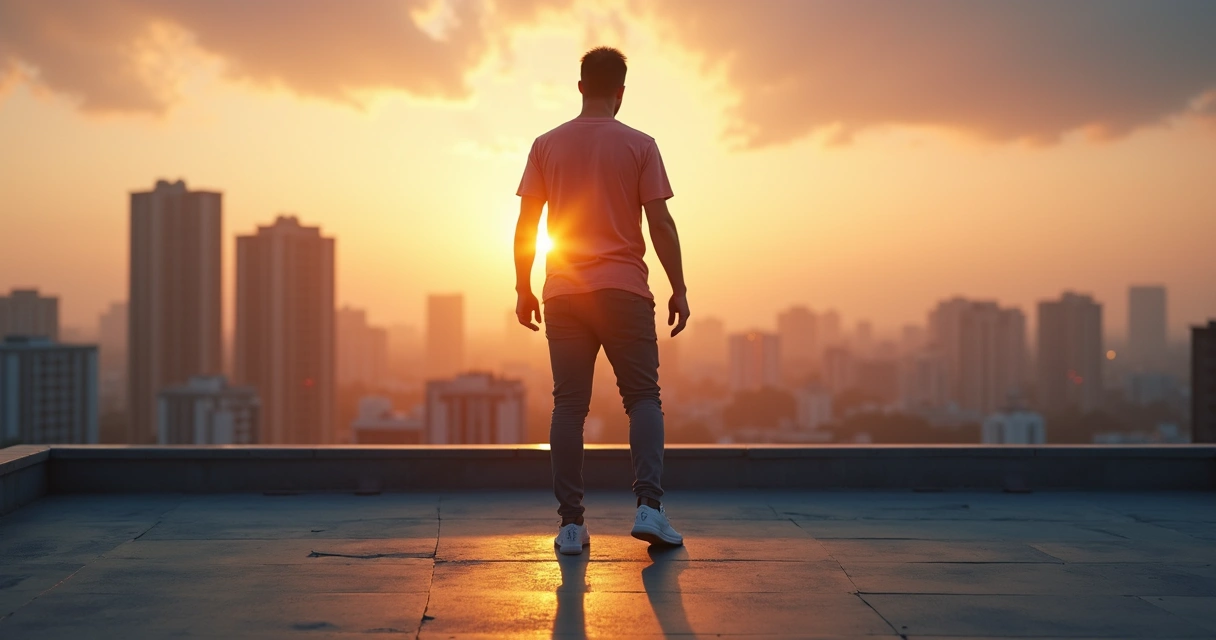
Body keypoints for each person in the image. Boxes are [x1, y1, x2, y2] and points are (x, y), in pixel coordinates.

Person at [513, 46, 688, 555]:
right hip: (625, 290)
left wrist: (523, 286)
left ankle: (571, 526)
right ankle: (650, 510)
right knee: (643, 399)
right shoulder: (641, 145)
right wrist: (678, 286)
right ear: (621, 92)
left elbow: (528, 226)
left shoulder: (546, 145)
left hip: (564, 292)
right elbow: (661, 222)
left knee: (568, 407)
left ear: (581, 86)